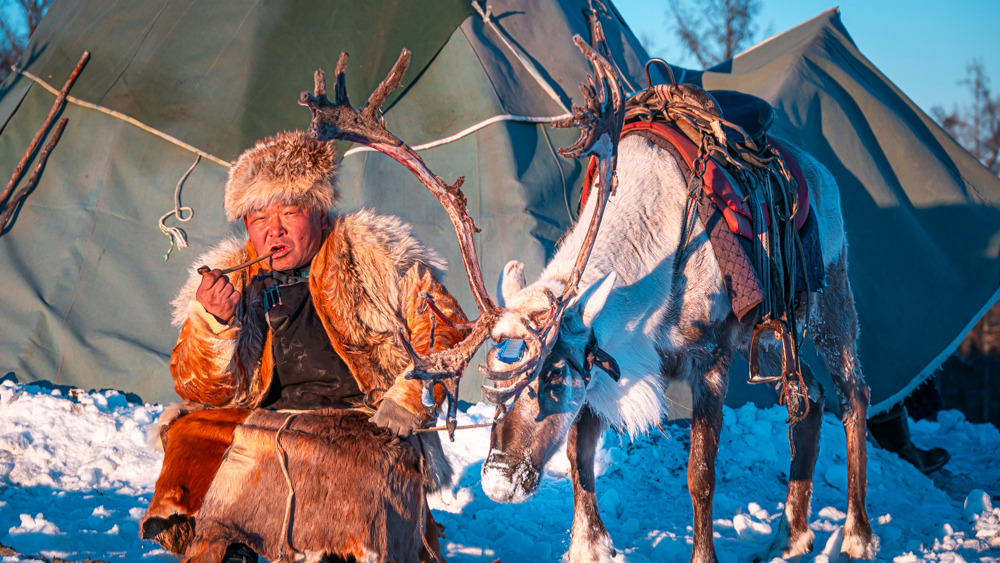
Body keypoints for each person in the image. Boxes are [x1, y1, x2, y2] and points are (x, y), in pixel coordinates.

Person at [140, 131, 468, 562]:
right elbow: (199, 390)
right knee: (187, 430)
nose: (273, 230)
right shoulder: (229, 279)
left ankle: (339, 548)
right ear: (246, 226)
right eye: (259, 218)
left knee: (355, 482)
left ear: (320, 215)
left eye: (289, 212)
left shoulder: (376, 254)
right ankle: (230, 545)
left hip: (363, 424)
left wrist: (410, 398)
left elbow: (445, 329)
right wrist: (214, 323)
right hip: (267, 423)